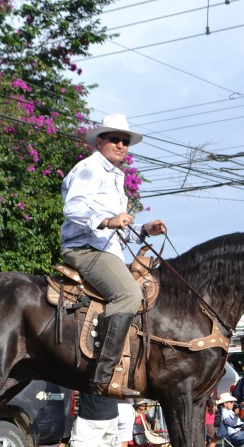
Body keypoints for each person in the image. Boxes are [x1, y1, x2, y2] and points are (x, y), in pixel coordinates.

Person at [60, 113, 167, 398]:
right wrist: (107, 221)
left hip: (107, 250)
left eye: (126, 141)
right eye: (115, 139)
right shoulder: (90, 168)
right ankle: (102, 376)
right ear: (100, 140)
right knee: (129, 295)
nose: (121, 145)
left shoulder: (116, 176)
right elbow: (72, 208)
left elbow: (120, 229)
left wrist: (143, 229)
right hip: (85, 248)